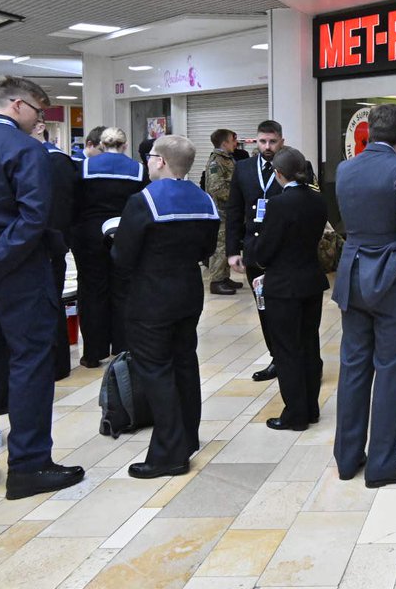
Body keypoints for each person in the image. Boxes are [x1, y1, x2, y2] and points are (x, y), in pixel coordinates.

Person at [0, 76, 85, 499]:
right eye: (41, 113)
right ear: (20, 106)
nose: (41, 121)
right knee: (29, 362)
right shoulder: (27, 150)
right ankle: (28, 465)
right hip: (16, 268)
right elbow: (31, 220)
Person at [112, 135, 219, 478]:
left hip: (151, 296)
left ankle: (169, 454)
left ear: (159, 161)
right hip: (189, 292)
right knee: (185, 363)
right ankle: (188, 437)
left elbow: (122, 257)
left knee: (156, 370)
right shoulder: (205, 200)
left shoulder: (144, 200)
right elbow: (206, 249)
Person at [332, 104, 396, 486]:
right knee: (391, 370)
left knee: (354, 368)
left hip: (352, 273)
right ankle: (382, 464)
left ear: (368, 132)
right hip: (391, 276)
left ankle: (347, 457)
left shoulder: (346, 168)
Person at [252, 146, 329, 432]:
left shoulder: (279, 204)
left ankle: (295, 413)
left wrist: (256, 254)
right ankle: (311, 408)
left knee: (287, 350)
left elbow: (266, 249)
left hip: (283, 285)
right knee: (309, 345)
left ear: (279, 173)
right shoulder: (318, 200)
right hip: (310, 280)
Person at [72, 126, 148, 368]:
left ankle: (93, 352)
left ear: (101, 145)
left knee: (92, 292)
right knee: (123, 290)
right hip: (124, 235)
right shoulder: (138, 170)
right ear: (124, 146)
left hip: (89, 236)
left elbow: (75, 203)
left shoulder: (82, 168)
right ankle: (122, 346)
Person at [227, 120, 287, 382]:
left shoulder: (293, 165)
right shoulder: (243, 168)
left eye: (272, 141)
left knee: (287, 310)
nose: (267, 147)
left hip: (283, 250)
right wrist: (232, 250)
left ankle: (298, 359)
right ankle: (276, 357)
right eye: (263, 141)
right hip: (254, 250)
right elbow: (234, 212)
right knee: (263, 307)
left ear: (281, 141)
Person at [32, 121, 79, 380]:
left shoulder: (55, 161)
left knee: (51, 304)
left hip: (48, 247)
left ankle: (56, 365)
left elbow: (61, 208)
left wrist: (56, 244)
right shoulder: (40, 158)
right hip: (42, 246)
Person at [204, 129, 241, 296]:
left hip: (228, 211)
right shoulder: (216, 161)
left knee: (227, 244)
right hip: (220, 211)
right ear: (224, 143)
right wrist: (236, 197)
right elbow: (216, 188)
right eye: (232, 140)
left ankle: (225, 277)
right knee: (220, 246)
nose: (235, 143)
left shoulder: (228, 159)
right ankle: (216, 281)